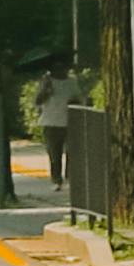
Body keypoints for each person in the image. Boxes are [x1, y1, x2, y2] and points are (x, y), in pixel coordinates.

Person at [34, 59, 76, 187]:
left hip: (69, 121)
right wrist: (46, 90)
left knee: (72, 152)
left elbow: (78, 98)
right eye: (56, 68)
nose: (60, 70)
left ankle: (70, 178)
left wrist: (74, 102)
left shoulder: (72, 82)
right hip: (51, 122)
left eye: (62, 67)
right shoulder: (46, 82)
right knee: (54, 153)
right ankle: (56, 179)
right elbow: (37, 101)